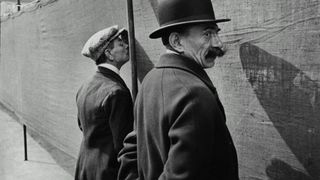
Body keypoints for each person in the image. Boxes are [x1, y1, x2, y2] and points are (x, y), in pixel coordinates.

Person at [118, 0, 239, 179]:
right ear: (176, 41)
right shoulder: (194, 95)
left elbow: (131, 149)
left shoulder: (150, 80)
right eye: (207, 34)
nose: (218, 44)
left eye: (216, 33)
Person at [75, 25, 133, 180]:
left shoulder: (85, 86)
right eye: (121, 44)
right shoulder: (117, 92)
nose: (127, 46)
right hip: (107, 172)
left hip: (84, 168)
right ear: (109, 54)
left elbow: (82, 125)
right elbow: (123, 144)